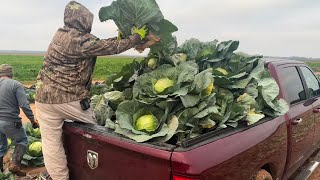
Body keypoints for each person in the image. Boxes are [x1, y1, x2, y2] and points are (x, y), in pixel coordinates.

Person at [35, 1, 156, 180]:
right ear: (84, 20)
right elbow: (109, 48)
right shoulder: (79, 39)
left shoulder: (60, 35)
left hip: (43, 98)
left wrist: (121, 38)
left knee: (51, 144)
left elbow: (98, 44)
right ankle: (98, 173)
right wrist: (136, 37)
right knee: (96, 137)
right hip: (68, 98)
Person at [0, 64, 38, 176]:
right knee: (21, 140)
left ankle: (1, 173)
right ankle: (15, 164)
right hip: (11, 121)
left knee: (1, 146)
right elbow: (24, 105)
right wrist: (32, 120)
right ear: (10, 74)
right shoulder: (15, 84)